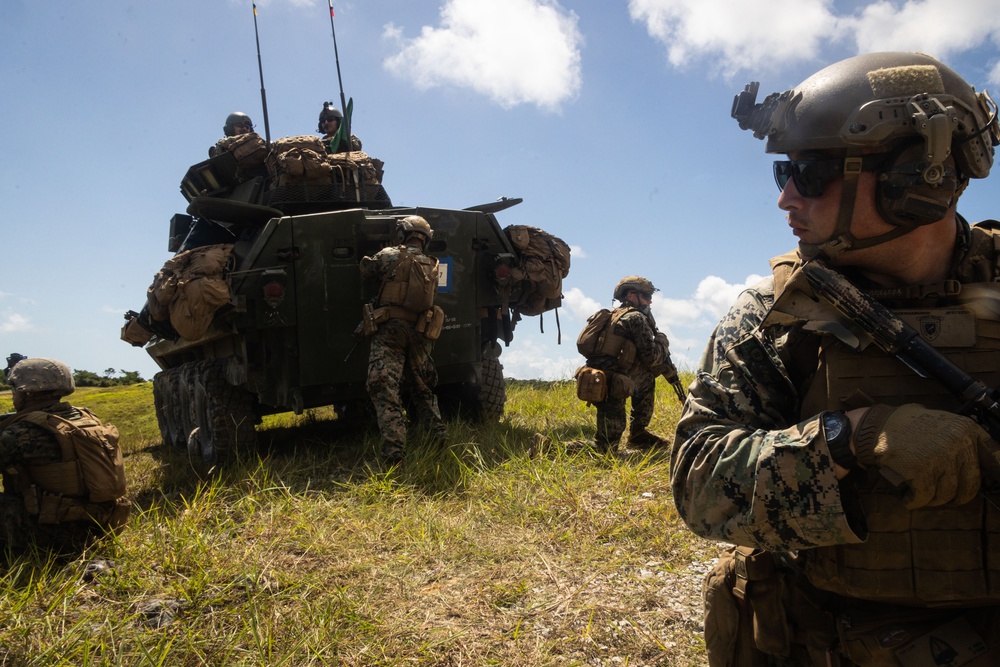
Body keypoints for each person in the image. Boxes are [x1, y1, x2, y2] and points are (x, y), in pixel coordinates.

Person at [671, 52, 1000, 666]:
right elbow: (700, 482)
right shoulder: (774, 315)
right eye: (783, 174)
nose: (787, 198)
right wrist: (853, 438)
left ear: (917, 177)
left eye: (812, 173)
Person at [0, 357, 129, 553]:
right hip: (96, 529)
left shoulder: (20, 433)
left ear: (26, 392)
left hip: (45, 536)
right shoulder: (88, 419)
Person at [359, 216, 446, 463]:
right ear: (425, 239)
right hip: (420, 331)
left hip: (390, 330)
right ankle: (439, 437)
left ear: (402, 235)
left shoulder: (388, 254)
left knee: (383, 385)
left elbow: (366, 271)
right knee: (423, 387)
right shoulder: (432, 263)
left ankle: (394, 450)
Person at [577, 276, 680, 453]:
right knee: (606, 448)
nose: (650, 301)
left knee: (647, 379)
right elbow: (651, 357)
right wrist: (663, 342)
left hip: (602, 380)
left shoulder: (612, 316)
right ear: (632, 295)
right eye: (646, 296)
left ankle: (638, 435)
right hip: (612, 385)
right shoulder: (635, 318)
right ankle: (548, 447)